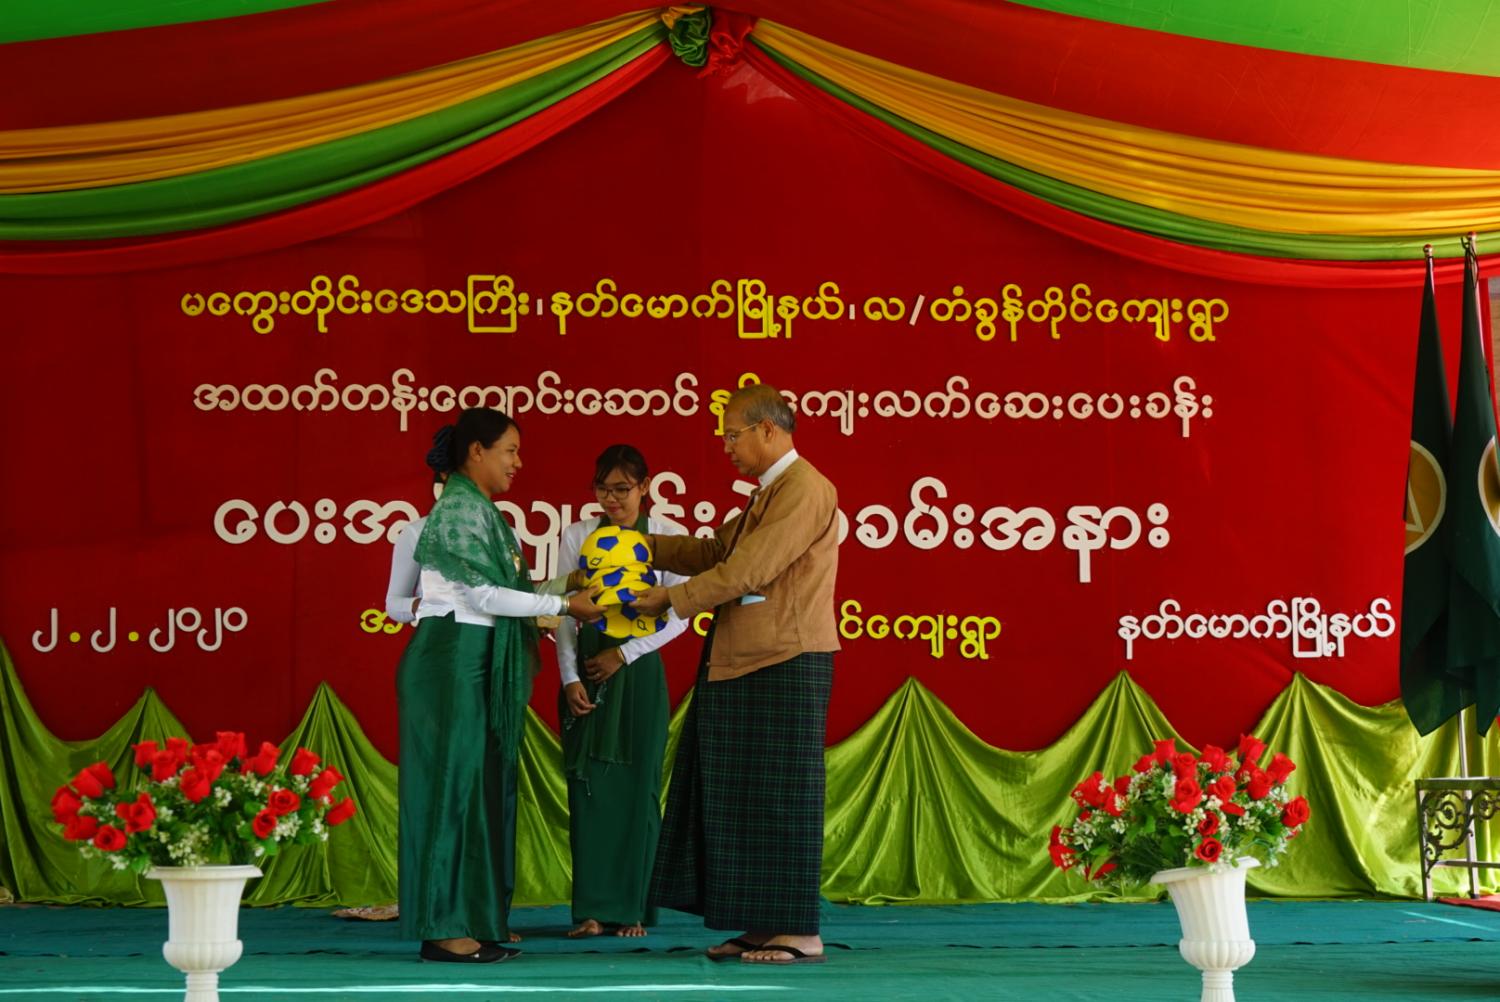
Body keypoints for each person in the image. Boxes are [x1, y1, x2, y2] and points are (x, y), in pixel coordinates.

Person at [632, 384, 840, 965]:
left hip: (785, 658)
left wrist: (670, 600)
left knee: (783, 797)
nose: (725, 446)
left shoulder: (805, 488)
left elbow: (748, 570)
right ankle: (761, 924)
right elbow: (714, 553)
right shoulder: (767, 493)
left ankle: (799, 931)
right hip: (748, 656)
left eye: (732, 435)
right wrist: (642, 545)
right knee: (745, 796)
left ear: (768, 429)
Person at [397, 408, 603, 964]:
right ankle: (443, 929)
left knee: (478, 792)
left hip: (476, 658)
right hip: (451, 661)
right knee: (450, 793)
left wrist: (565, 591)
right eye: (510, 450)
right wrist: (565, 605)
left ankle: (476, 919)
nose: (518, 462)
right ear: (476, 452)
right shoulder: (458, 511)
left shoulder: (483, 513)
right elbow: (483, 596)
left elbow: (502, 595)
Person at [555, 445, 693, 939]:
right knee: (590, 789)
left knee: (639, 788)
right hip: (588, 669)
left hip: (638, 671)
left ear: (644, 487)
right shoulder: (577, 535)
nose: (611, 499)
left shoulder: (667, 536)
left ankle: (633, 909)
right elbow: (564, 610)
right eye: (603, 489)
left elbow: (681, 614)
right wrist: (569, 676)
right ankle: (591, 910)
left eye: (622, 489)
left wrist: (625, 653)